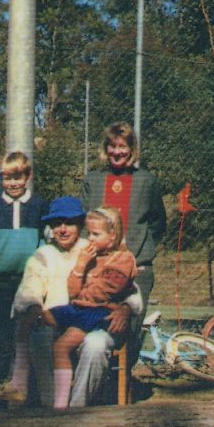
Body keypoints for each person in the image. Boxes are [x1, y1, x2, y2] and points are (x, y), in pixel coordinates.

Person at [0, 197, 140, 409]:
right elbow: (29, 290)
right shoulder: (44, 254)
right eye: (57, 224)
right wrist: (34, 307)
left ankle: (77, 407)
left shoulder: (95, 246)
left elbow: (129, 287)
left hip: (97, 318)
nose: (62, 229)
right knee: (39, 334)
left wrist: (126, 308)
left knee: (94, 345)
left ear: (79, 226)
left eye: (69, 223)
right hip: (63, 317)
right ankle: (51, 404)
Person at [82, 122, 166, 350]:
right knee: (96, 329)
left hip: (138, 268)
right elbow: (84, 221)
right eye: (112, 146)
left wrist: (141, 248)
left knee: (129, 333)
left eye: (123, 146)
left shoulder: (146, 181)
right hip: (100, 267)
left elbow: (158, 222)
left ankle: (125, 371)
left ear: (132, 149)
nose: (117, 152)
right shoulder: (93, 180)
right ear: (105, 148)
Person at [0, 151, 47, 398]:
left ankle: (27, 390)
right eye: (7, 178)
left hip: (28, 282)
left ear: (28, 177)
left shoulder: (39, 206)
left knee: (27, 335)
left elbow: (45, 246)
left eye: (18, 177)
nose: (13, 183)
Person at [47, 207, 137, 410]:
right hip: (80, 309)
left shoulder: (123, 258)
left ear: (112, 236)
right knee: (42, 320)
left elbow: (105, 292)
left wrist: (85, 291)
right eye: (89, 233)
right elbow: (72, 292)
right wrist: (80, 266)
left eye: (96, 234)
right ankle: (45, 398)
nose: (90, 239)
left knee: (72, 345)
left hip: (100, 315)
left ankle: (73, 408)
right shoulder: (89, 256)